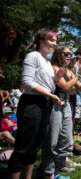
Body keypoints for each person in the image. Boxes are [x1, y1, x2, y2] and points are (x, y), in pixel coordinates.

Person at [7, 29, 65, 179]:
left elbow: (46, 84)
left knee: (34, 148)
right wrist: (49, 94)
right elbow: (27, 83)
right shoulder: (33, 56)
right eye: (52, 40)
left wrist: (56, 79)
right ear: (40, 41)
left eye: (56, 42)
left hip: (45, 103)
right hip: (32, 104)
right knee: (23, 147)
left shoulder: (46, 62)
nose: (54, 44)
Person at [41, 46, 81, 178]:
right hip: (55, 104)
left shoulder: (69, 71)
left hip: (66, 104)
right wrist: (77, 75)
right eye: (66, 53)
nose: (70, 56)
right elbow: (66, 86)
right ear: (58, 54)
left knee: (67, 139)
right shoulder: (55, 68)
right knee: (52, 140)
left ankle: (60, 165)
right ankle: (49, 171)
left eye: (70, 54)